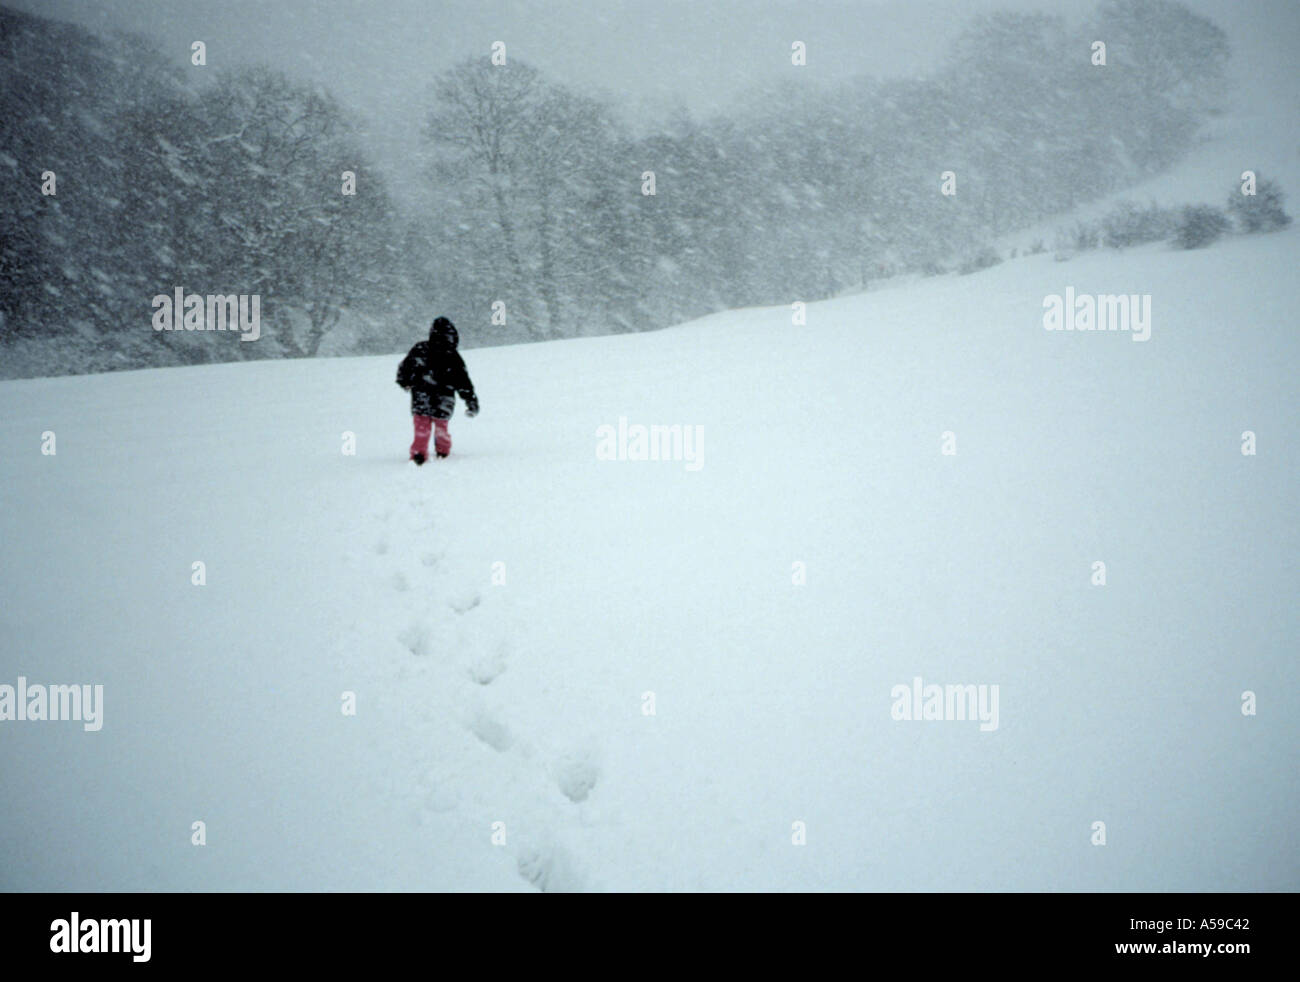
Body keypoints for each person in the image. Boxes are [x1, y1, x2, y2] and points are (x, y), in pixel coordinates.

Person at [396, 316, 478, 464]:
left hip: (422, 393)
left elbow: (405, 368)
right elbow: (463, 381)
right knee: (441, 425)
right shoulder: (452, 355)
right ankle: (443, 451)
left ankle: (418, 453)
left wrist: (405, 382)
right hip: (444, 396)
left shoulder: (421, 349)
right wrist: (470, 400)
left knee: (422, 425)